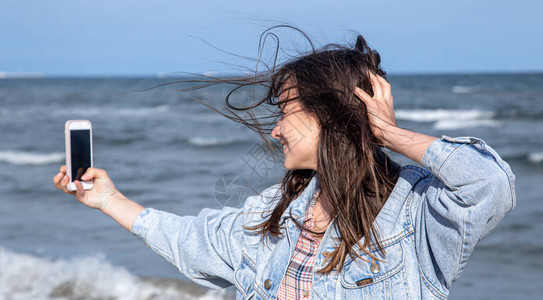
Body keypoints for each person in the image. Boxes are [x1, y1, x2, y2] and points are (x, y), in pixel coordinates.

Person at [53, 33, 516, 299]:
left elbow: (488, 183)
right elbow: (194, 240)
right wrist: (109, 200)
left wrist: (387, 133)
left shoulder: (415, 218)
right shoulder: (278, 213)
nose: (275, 130)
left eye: (285, 110)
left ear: (331, 114)